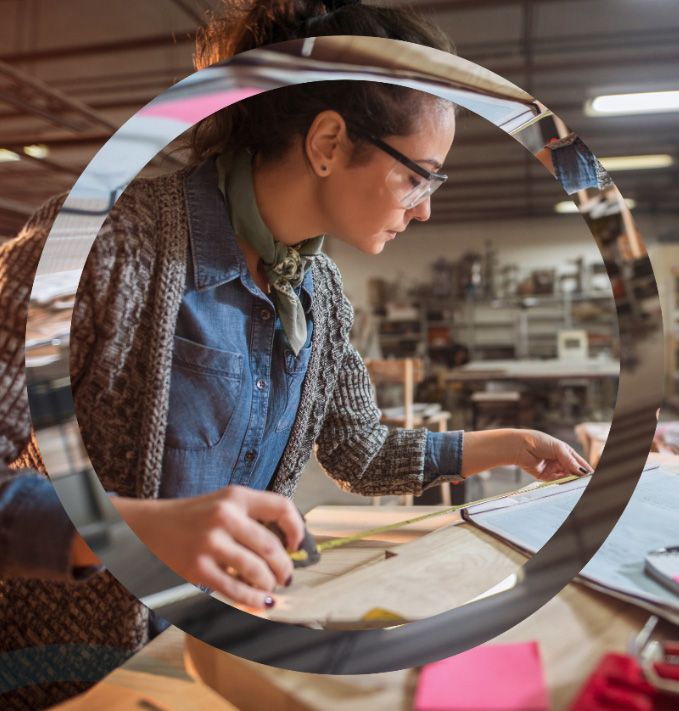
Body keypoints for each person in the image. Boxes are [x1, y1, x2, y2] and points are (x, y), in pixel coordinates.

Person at [0, 1, 592, 707]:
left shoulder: (318, 291)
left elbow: (359, 451)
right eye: (418, 176)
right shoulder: (103, 246)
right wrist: (130, 531)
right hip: (65, 673)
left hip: (210, 654)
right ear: (328, 143)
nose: (426, 207)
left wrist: (506, 445)